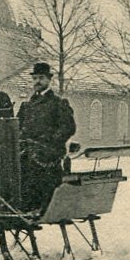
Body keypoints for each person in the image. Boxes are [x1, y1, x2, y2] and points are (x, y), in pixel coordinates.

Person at [17, 62, 76, 212]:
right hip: (27, 150)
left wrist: (49, 141)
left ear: (49, 80)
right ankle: (22, 205)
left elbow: (68, 127)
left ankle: (39, 206)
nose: (37, 81)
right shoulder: (27, 105)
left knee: (39, 174)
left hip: (48, 152)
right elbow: (18, 127)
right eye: (35, 78)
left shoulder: (58, 103)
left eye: (41, 78)